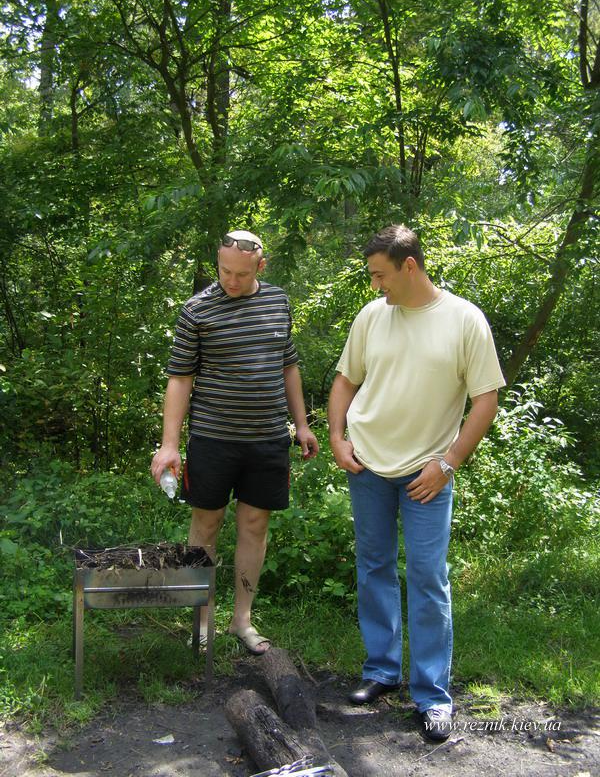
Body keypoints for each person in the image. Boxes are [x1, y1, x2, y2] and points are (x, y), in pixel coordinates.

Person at [328, 225, 505, 740]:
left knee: (428, 577)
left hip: (428, 473)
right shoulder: (371, 316)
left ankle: (432, 696)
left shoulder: (464, 319)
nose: (375, 285)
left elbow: (485, 400)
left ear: (409, 266)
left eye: (380, 274)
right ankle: (382, 671)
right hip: (367, 465)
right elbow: (345, 380)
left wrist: (448, 463)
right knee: (374, 566)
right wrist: (337, 437)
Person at [151, 230, 319, 655]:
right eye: (224, 271)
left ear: (260, 267)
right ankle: (201, 619)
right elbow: (179, 379)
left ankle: (241, 620)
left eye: (241, 274)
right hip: (213, 439)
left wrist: (301, 425)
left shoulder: (277, 302)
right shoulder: (197, 310)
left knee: (255, 525)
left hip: (267, 439)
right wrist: (170, 444)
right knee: (205, 525)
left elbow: (288, 365)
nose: (230, 280)